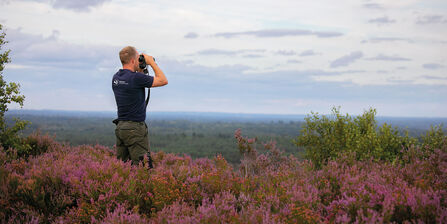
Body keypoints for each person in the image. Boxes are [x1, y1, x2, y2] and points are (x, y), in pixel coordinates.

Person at [112, 46, 168, 166]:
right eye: (138, 58)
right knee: (143, 168)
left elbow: (134, 81)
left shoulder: (116, 78)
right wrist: (151, 62)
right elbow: (163, 80)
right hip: (135, 129)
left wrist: (141, 68)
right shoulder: (136, 78)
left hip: (121, 127)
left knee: (123, 167)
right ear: (133, 60)